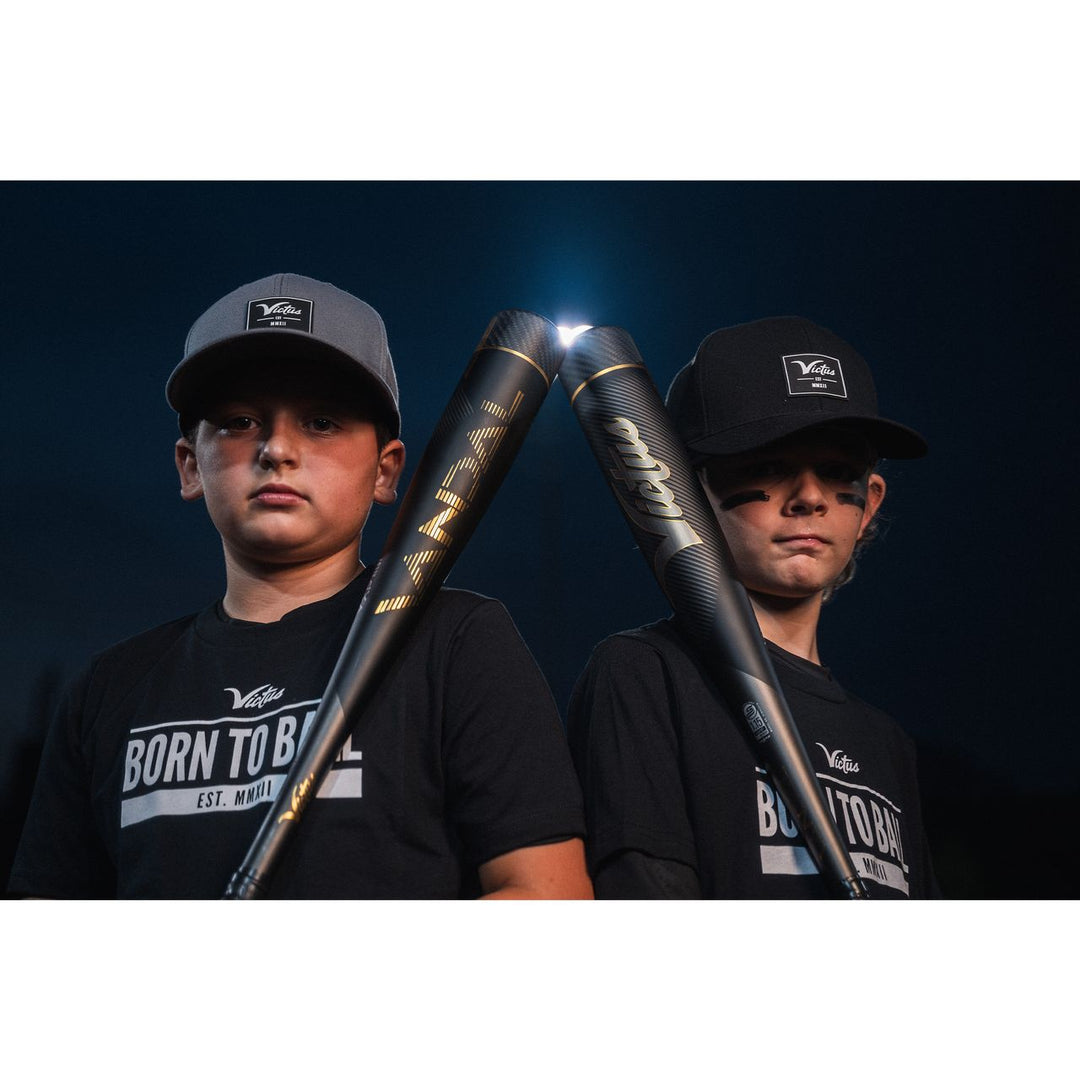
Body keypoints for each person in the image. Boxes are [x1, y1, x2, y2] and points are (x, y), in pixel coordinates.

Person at [8, 273, 591, 900]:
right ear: (188, 466)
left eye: (320, 421)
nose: (277, 448)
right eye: (238, 421)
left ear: (386, 469)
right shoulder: (109, 692)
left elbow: (548, 896)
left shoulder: (456, 645)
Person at [567, 316, 940, 899]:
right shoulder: (646, 675)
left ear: (868, 506)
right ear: (685, 495)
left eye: (838, 472)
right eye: (768, 465)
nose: (810, 497)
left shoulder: (886, 742)